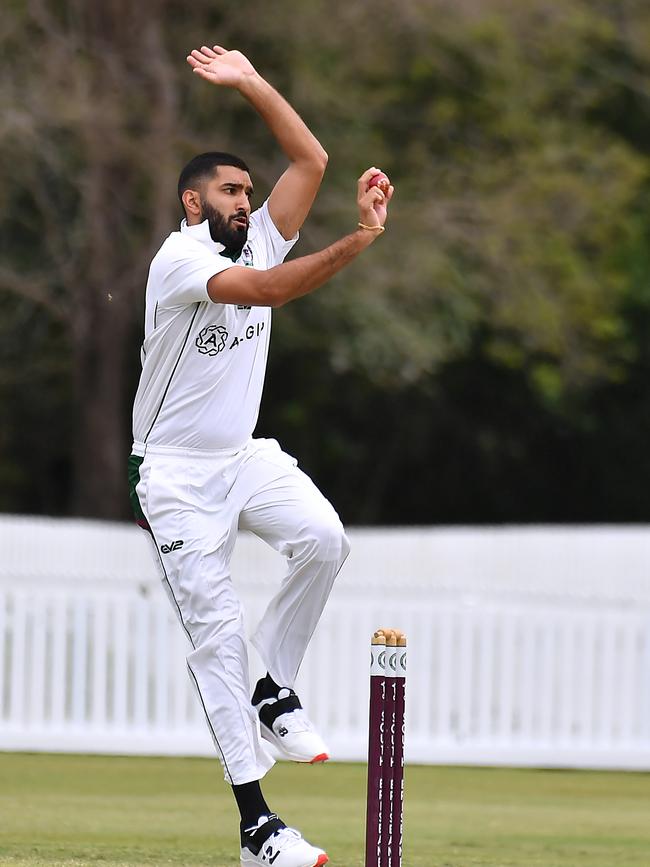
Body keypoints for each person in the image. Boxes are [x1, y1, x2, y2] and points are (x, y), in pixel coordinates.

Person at [128, 44, 393, 867]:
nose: (247, 201)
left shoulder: (260, 240)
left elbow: (311, 158)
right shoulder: (181, 260)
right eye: (230, 190)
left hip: (242, 455)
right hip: (172, 473)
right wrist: (357, 241)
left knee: (323, 538)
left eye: (250, 190)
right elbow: (271, 293)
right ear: (192, 200)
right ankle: (257, 827)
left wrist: (249, 82)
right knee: (216, 634)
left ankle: (273, 683)